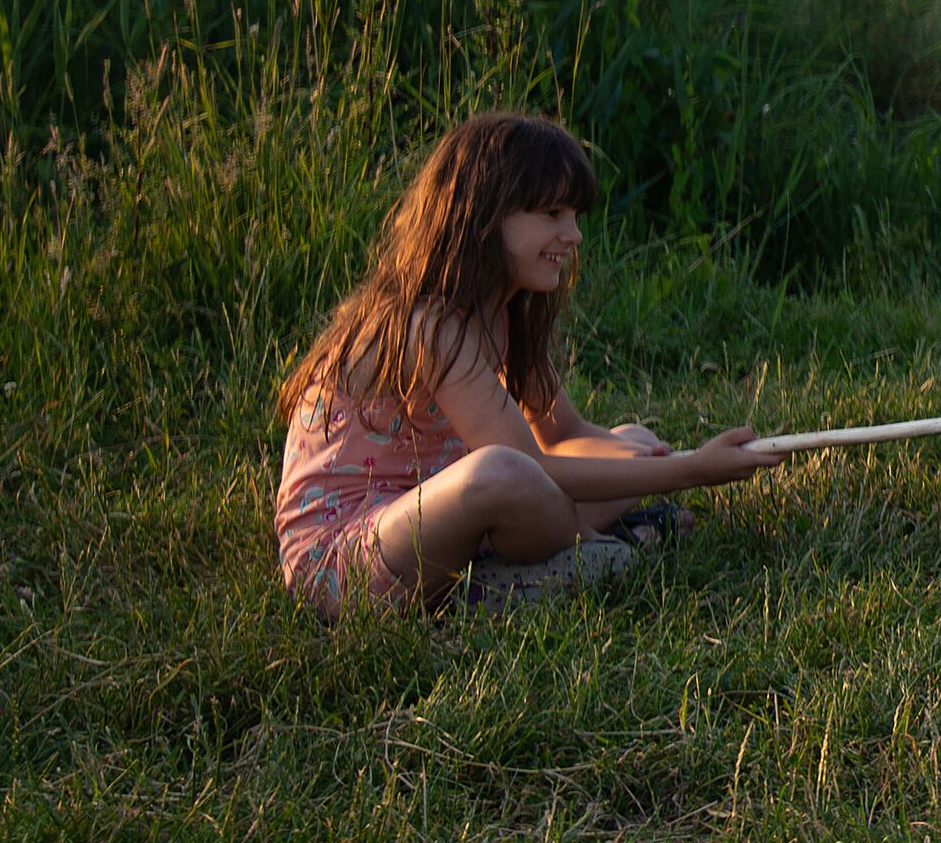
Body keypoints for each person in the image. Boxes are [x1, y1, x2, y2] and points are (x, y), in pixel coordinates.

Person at [274, 112, 780, 614]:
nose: (574, 235)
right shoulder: (429, 322)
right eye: (553, 214)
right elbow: (526, 466)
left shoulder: (504, 312)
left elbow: (561, 435)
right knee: (501, 471)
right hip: (348, 558)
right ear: (484, 214)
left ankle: (538, 569)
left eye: (575, 216)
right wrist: (691, 470)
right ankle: (594, 555)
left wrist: (659, 463)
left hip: (441, 515)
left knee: (634, 443)